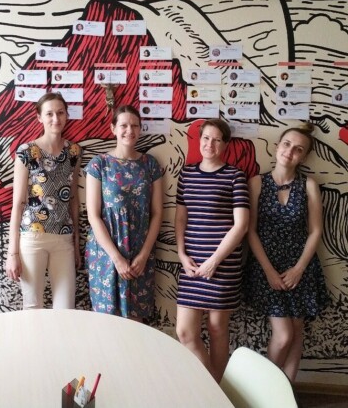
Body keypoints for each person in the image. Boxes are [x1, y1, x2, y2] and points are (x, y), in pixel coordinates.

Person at [244, 123, 330, 381]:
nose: (290, 151)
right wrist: (269, 271)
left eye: (298, 149)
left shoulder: (309, 185)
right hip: (266, 266)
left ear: (303, 156)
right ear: (277, 146)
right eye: (287, 144)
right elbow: (250, 231)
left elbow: (315, 231)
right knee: (284, 336)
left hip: (300, 266)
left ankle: (288, 393)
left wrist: (299, 269)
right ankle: (264, 391)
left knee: (296, 331)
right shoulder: (257, 183)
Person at [175, 119, 249, 382]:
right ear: (200, 140)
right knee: (185, 333)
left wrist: (215, 260)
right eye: (206, 138)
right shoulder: (187, 174)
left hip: (223, 264)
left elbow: (241, 225)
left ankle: (218, 389)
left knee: (217, 329)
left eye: (217, 140)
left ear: (225, 144)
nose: (210, 144)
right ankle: (211, 386)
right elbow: (180, 218)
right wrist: (181, 254)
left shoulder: (235, 176)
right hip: (191, 263)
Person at [85, 105, 164, 321]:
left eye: (135, 126)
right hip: (106, 253)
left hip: (140, 252)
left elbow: (157, 213)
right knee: (106, 321)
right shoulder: (99, 165)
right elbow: (93, 216)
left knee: (136, 321)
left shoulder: (150, 164)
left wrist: (144, 255)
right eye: (124, 125)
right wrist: (116, 258)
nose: (130, 130)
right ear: (113, 128)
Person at [6, 92, 81, 309]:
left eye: (60, 113)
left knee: (65, 309)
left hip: (64, 239)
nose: (55, 119)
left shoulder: (74, 151)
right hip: (32, 237)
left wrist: (76, 243)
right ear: (39, 117)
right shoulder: (27, 152)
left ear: (66, 115)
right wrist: (13, 253)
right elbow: (18, 204)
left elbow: (73, 198)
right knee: (32, 307)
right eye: (49, 114)